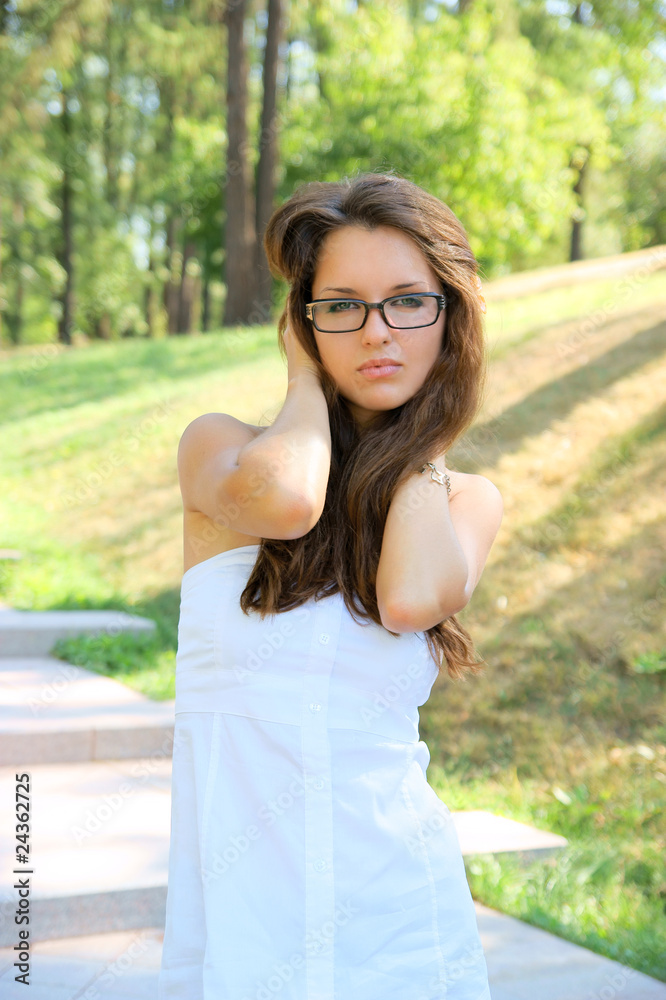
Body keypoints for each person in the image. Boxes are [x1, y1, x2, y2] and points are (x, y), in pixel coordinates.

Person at [158, 172, 503, 1000]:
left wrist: (423, 432)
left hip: (399, 927)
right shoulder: (222, 453)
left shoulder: (463, 500)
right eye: (341, 305)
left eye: (409, 302)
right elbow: (289, 502)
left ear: (449, 318)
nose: (376, 332)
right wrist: (305, 384)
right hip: (240, 928)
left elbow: (408, 600)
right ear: (303, 324)